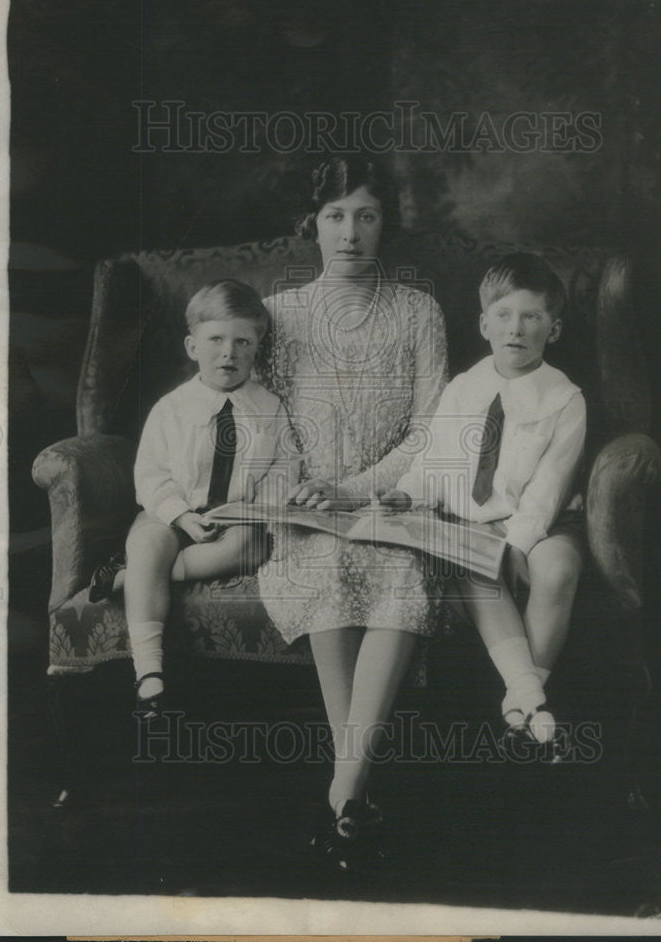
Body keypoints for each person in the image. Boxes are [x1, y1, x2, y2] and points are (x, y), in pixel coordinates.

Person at [255, 155, 448, 872]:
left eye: (366, 215)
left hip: (389, 500)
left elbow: (431, 429)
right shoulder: (282, 314)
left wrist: (358, 489)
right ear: (312, 224)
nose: (350, 232)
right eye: (336, 216)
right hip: (306, 507)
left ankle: (344, 787)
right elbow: (268, 419)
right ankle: (355, 794)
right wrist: (302, 493)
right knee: (328, 564)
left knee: (399, 574)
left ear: (385, 224)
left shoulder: (417, 310)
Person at [381, 252, 586, 746]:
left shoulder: (564, 398)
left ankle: (521, 698)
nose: (516, 329)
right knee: (474, 564)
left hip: (543, 519)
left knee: (557, 569)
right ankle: (529, 700)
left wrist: (518, 543)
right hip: (470, 522)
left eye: (532, 317)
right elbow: (434, 462)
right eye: (504, 315)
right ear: (484, 324)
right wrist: (406, 495)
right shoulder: (462, 389)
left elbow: (549, 487)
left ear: (552, 330)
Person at [89, 280, 294, 718]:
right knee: (148, 542)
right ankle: (149, 672)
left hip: (237, 516)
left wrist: (256, 508)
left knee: (250, 545)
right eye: (216, 340)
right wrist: (179, 516)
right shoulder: (172, 408)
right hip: (171, 513)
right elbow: (151, 475)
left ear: (258, 348)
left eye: (243, 342)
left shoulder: (271, 408)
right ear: (191, 346)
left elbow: (284, 467)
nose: (229, 353)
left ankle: (132, 576)